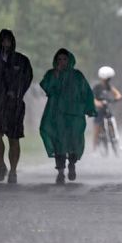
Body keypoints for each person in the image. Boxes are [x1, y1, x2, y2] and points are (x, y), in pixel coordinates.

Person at [0, 29, 33, 184]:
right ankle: (1, 165)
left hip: (15, 105)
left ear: (13, 41)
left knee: (14, 138)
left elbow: (28, 78)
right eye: (3, 40)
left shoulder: (22, 61)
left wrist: (18, 93)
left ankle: (13, 171)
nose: (6, 43)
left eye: (8, 40)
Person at [39, 48, 96, 184]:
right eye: (59, 59)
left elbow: (86, 92)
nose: (62, 62)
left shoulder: (77, 76)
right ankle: (60, 171)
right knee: (59, 142)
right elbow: (46, 87)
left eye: (64, 59)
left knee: (73, 141)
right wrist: (56, 75)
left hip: (74, 115)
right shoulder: (51, 74)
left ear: (69, 60)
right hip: (56, 114)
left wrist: (89, 108)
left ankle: (72, 164)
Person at [92, 66, 122, 150]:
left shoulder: (108, 86)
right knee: (97, 126)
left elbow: (116, 93)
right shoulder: (97, 86)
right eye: (107, 79)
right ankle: (94, 147)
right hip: (98, 109)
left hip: (105, 107)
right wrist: (97, 103)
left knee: (111, 119)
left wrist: (117, 97)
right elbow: (91, 97)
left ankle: (115, 139)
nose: (108, 80)